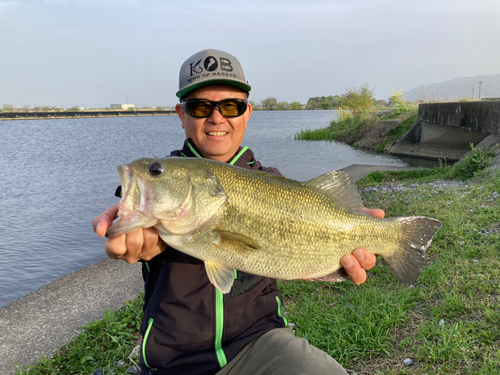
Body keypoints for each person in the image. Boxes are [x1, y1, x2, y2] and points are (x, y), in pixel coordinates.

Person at [93, 49, 384, 375]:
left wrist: (341, 256)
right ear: (181, 114)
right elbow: (129, 214)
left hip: (260, 343)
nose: (217, 118)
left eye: (231, 106)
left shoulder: (275, 183)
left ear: (247, 113)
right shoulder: (163, 190)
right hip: (172, 363)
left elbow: (298, 248)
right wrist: (132, 230)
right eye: (201, 107)